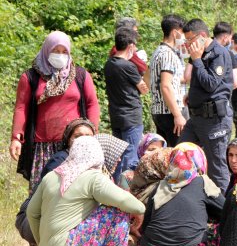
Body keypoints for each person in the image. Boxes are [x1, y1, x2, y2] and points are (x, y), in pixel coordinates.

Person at [27, 136, 145, 246]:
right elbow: (127, 202)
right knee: (116, 210)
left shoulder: (51, 176)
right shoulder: (92, 177)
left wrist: (43, 244)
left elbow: (31, 213)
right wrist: (140, 210)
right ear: (97, 154)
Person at [10, 31, 100, 191]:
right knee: (43, 191)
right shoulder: (31, 77)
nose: (60, 55)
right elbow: (21, 107)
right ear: (46, 51)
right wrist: (16, 138)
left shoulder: (80, 75)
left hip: (75, 144)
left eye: (64, 51)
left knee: (73, 190)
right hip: (42, 147)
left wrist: (91, 132)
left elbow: (92, 103)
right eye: (55, 51)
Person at [131, 143, 224, 246]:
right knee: (221, 226)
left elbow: (146, 227)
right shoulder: (202, 182)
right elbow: (226, 210)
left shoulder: (159, 186)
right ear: (199, 160)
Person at [15, 118, 97, 246]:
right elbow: (53, 199)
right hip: (32, 220)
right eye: (78, 136)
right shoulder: (61, 159)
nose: (83, 140)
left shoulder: (93, 160)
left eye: (88, 136)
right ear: (68, 140)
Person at [178, 19, 234, 193]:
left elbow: (211, 83)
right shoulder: (199, 53)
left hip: (214, 120)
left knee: (217, 169)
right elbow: (202, 84)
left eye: (189, 40)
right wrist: (192, 96)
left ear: (202, 36)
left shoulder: (219, 53)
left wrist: (196, 60)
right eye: (185, 41)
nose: (187, 45)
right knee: (180, 156)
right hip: (196, 119)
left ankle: (223, 213)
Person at [104, 27, 148, 181]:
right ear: (130, 46)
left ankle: (114, 185)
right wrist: (145, 71)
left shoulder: (109, 64)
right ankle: (124, 189)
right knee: (130, 157)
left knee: (119, 156)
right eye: (134, 46)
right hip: (131, 117)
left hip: (116, 116)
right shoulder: (128, 66)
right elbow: (144, 89)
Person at [149, 14, 187, 147]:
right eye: (182, 33)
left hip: (159, 111)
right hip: (170, 112)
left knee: (166, 154)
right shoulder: (168, 54)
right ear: (175, 32)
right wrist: (177, 115)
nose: (184, 37)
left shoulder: (158, 51)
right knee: (178, 153)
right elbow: (165, 85)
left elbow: (171, 80)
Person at [213, 21, 237, 90]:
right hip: (220, 97)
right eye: (230, 38)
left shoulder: (201, 50)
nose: (231, 41)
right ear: (225, 37)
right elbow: (235, 83)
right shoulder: (228, 54)